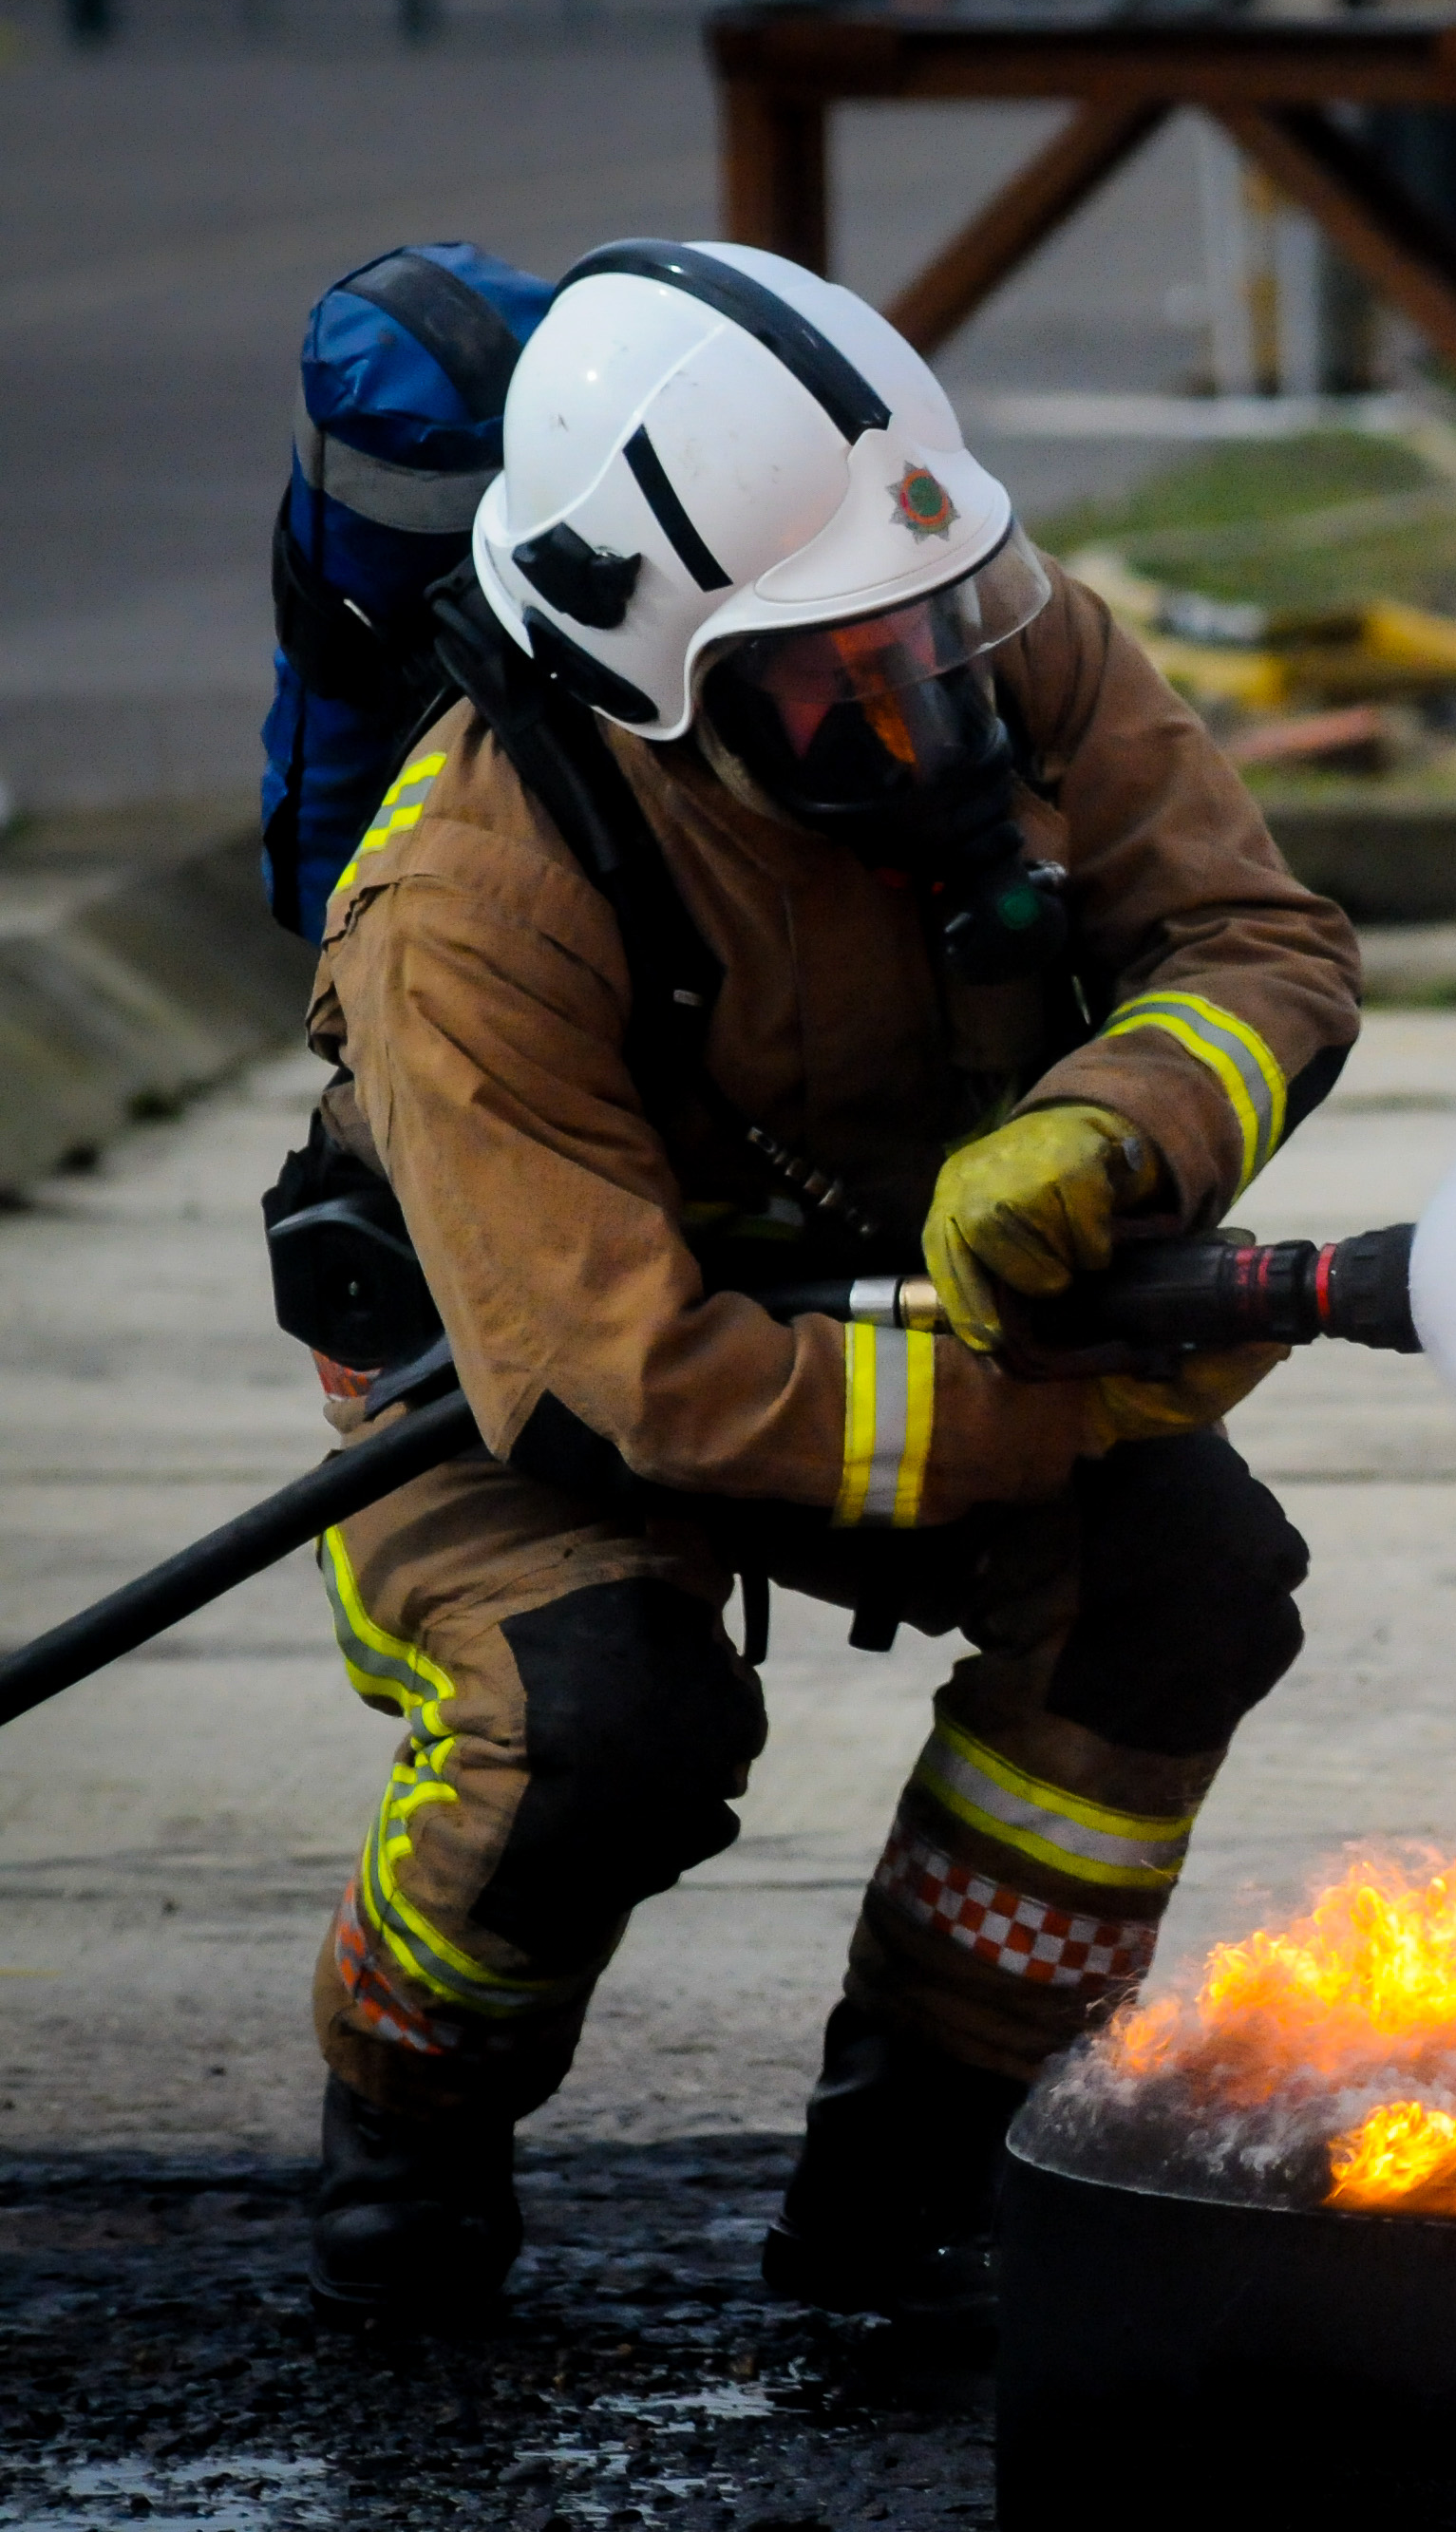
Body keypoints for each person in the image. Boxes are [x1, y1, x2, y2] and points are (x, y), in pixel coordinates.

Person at [291, 239, 1364, 2324]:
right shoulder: (468, 900)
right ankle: (408, 2120)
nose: (928, 698)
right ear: (651, 673)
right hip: (512, 1386)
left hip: (915, 1311)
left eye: (935, 625)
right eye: (835, 668)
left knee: (1185, 1589)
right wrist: (1062, 1405)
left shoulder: (997, 639)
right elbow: (631, 1386)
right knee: (604, 1716)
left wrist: (1115, 1129)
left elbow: (1261, 941)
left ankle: (919, 2161)